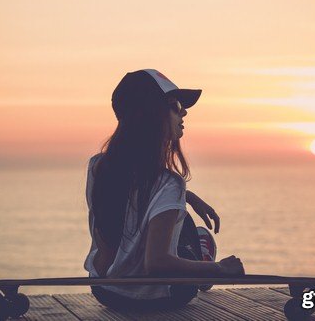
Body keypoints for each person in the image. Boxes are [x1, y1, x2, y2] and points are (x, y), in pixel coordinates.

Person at [84, 69, 244, 311]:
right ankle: (202, 255)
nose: (184, 112)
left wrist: (187, 196)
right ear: (150, 114)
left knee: (173, 211)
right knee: (188, 225)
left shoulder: (98, 167)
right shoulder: (170, 183)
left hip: (105, 291)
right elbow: (157, 264)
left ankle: (197, 251)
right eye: (175, 105)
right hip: (160, 298)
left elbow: (134, 192)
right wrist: (220, 269)